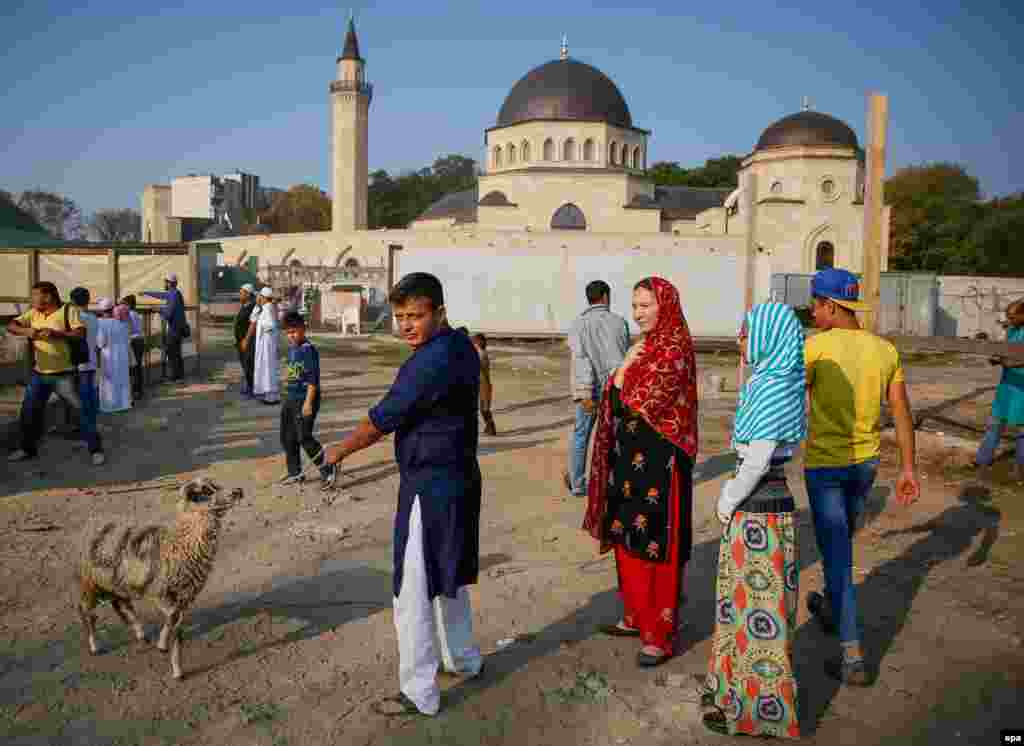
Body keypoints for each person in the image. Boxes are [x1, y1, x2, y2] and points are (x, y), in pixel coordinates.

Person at [323, 272, 483, 717]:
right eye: (400, 317)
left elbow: (383, 418)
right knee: (448, 576)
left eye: (416, 315)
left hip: (430, 486)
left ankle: (420, 691)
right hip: (458, 476)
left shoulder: (430, 361)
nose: (407, 325)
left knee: (412, 589)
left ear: (439, 313)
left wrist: (338, 451)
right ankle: (463, 658)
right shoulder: (460, 345)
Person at [803, 268, 920, 686]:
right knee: (839, 542)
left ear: (832, 306)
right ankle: (832, 609)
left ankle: (852, 657)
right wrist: (908, 468)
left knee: (837, 555)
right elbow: (902, 413)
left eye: (816, 305)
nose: (812, 312)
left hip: (824, 467)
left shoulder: (814, 349)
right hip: (865, 466)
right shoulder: (885, 351)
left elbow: (787, 398)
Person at [702, 303, 806, 738]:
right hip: (769, 506)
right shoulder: (779, 380)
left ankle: (759, 713)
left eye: (746, 333)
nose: (739, 340)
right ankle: (729, 690)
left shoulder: (772, 387)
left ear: (766, 336)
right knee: (742, 606)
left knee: (757, 613)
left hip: (758, 512)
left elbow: (758, 459)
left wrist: (727, 498)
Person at [583, 277, 698, 667]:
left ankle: (658, 636)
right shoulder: (643, 347)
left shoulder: (674, 349)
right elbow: (618, 400)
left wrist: (620, 376)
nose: (638, 313)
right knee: (626, 535)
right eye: (634, 306)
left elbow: (640, 401)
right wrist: (623, 372)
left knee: (657, 544)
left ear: (665, 306)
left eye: (646, 305)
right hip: (628, 460)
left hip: (661, 466)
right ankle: (635, 615)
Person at [6, 282, 86, 463]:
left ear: (48, 296)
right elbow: (11, 326)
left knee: (79, 409)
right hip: (40, 373)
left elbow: (80, 334)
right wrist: (26, 330)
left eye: (35, 295)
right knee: (29, 411)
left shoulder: (68, 310)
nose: (32, 298)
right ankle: (27, 449)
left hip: (64, 374)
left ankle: (93, 446)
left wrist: (56, 334)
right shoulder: (34, 312)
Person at [566, 280, 631, 497]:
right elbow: (625, 358)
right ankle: (613, 481)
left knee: (582, 436)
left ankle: (577, 483)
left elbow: (581, 360)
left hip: (590, 388)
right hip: (615, 388)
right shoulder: (619, 322)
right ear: (605, 296)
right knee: (615, 436)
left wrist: (584, 392)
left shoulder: (578, 324)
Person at [279, 311, 337, 489]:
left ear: (303, 329)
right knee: (288, 437)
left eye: (294, 331)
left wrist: (308, 403)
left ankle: (328, 469)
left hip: (304, 399)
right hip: (290, 398)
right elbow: (293, 371)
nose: (291, 335)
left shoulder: (308, 350)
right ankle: (295, 472)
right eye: (288, 332)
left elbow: (313, 380)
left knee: (304, 437)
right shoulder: (293, 349)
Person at [975, 297, 1024, 482]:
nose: (1009, 320)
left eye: (1013, 317)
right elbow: (1005, 352)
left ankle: (1020, 468)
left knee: (1022, 430)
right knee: (995, 423)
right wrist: (996, 357)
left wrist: (1006, 362)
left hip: (1022, 387)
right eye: (1008, 317)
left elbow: (1017, 360)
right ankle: (982, 460)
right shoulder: (1011, 330)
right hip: (1007, 385)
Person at [70, 287, 106, 466]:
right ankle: (87, 432)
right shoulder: (93, 318)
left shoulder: (76, 317)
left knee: (80, 401)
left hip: (77, 365)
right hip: (90, 364)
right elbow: (98, 343)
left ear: (72, 301)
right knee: (88, 400)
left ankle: (88, 437)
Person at [143, 272, 187, 382]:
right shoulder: (175, 293)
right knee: (176, 353)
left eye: (165, 282)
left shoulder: (173, 295)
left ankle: (175, 377)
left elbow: (168, 313)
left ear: (169, 283)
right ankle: (179, 376)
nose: (164, 284)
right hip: (177, 328)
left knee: (172, 353)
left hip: (174, 329)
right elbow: (161, 295)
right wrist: (147, 293)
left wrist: (159, 310)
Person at [244, 287, 280, 405]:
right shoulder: (265, 308)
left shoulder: (267, 308)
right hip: (266, 344)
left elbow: (271, 325)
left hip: (266, 344)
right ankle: (271, 395)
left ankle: (271, 397)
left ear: (264, 297)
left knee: (267, 369)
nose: (258, 298)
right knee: (268, 369)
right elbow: (254, 318)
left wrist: (263, 325)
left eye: (260, 296)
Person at [95, 298, 133, 413]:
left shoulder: (100, 323)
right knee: (122, 379)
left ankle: (110, 405)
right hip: (122, 355)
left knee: (109, 382)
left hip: (108, 356)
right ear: (112, 309)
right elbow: (128, 338)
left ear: (101, 311)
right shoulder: (123, 323)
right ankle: (124, 403)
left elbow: (100, 343)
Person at [471, 333, 497, 436]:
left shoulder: (482, 354)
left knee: (485, 409)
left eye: (475, 341)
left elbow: (481, 368)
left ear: (479, 342)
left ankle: (491, 428)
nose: (474, 343)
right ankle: (489, 426)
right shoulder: (479, 353)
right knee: (483, 409)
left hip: (484, 384)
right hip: (482, 383)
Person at [121, 295, 146, 401]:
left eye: (124, 304)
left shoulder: (130, 314)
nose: (122, 306)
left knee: (134, 368)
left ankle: (136, 390)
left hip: (134, 341)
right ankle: (139, 390)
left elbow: (130, 330)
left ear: (128, 304)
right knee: (138, 366)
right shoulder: (136, 314)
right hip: (139, 340)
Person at [235, 284, 257, 398]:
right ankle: (249, 386)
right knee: (245, 365)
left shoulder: (252, 307)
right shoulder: (244, 306)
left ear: (248, 294)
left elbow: (252, 325)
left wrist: (246, 340)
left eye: (242, 293)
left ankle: (252, 388)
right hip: (240, 341)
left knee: (249, 365)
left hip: (247, 341)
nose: (240, 295)